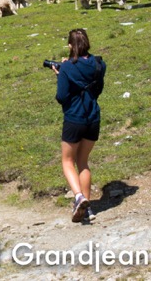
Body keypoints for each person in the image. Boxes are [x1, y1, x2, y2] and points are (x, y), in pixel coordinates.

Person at [52, 28, 105, 223]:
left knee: (67, 161)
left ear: (69, 46)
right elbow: (98, 89)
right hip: (93, 118)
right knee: (83, 162)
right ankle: (88, 210)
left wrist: (60, 75)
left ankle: (79, 197)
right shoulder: (99, 64)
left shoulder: (67, 67)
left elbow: (61, 96)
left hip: (74, 118)